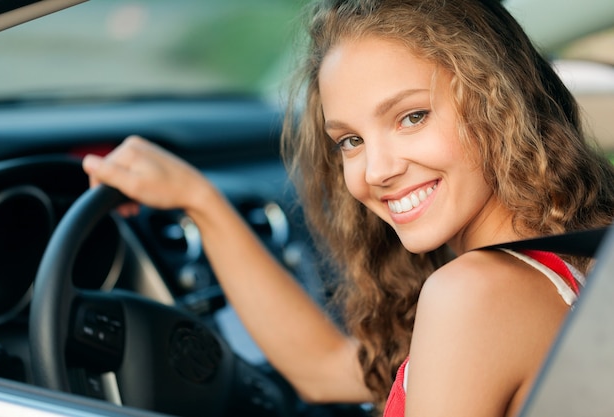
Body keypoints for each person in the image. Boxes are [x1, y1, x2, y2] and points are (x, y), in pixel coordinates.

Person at [82, 0, 614, 416]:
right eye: (350, 141)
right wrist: (197, 199)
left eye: (412, 117)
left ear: (501, 103)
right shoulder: (572, 263)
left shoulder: (475, 293)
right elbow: (324, 369)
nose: (376, 170)